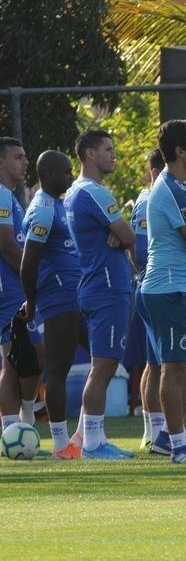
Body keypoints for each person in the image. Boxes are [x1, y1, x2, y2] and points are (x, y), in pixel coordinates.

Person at [139, 120, 186, 464]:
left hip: (180, 287)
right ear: (179, 152)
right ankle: (177, 445)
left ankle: (170, 437)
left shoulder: (177, 187)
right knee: (173, 368)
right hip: (167, 288)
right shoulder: (173, 189)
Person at [62, 129, 136, 459]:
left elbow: (120, 235)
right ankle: (93, 444)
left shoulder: (75, 193)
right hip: (107, 288)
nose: (114, 154)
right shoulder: (95, 193)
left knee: (102, 365)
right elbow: (129, 235)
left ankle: (83, 435)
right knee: (103, 366)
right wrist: (120, 235)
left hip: (97, 286)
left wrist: (118, 235)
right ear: (90, 154)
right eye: (108, 149)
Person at [16, 151, 83, 458]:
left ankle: (86, 434)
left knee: (105, 359)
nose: (70, 177)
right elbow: (29, 263)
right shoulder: (43, 208)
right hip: (58, 294)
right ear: (51, 174)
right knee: (57, 368)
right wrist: (31, 301)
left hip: (75, 292)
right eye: (66, 172)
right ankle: (60, 443)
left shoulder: (59, 204)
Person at [132, 149, 169, 452]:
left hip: (154, 286)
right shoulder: (149, 200)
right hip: (157, 286)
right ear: (157, 172)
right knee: (161, 363)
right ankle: (158, 430)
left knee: (154, 363)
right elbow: (141, 250)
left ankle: (153, 429)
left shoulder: (150, 198)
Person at [0, 137, 28, 430]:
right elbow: (8, 246)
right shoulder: (2, 195)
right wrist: (33, 276)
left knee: (16, 361)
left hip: (12, 288)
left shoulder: (9, 195)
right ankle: (11, 430)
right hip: (8, 289)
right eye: (18, 157)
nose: (25, 162)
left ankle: (15, 426)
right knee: (12, 361)